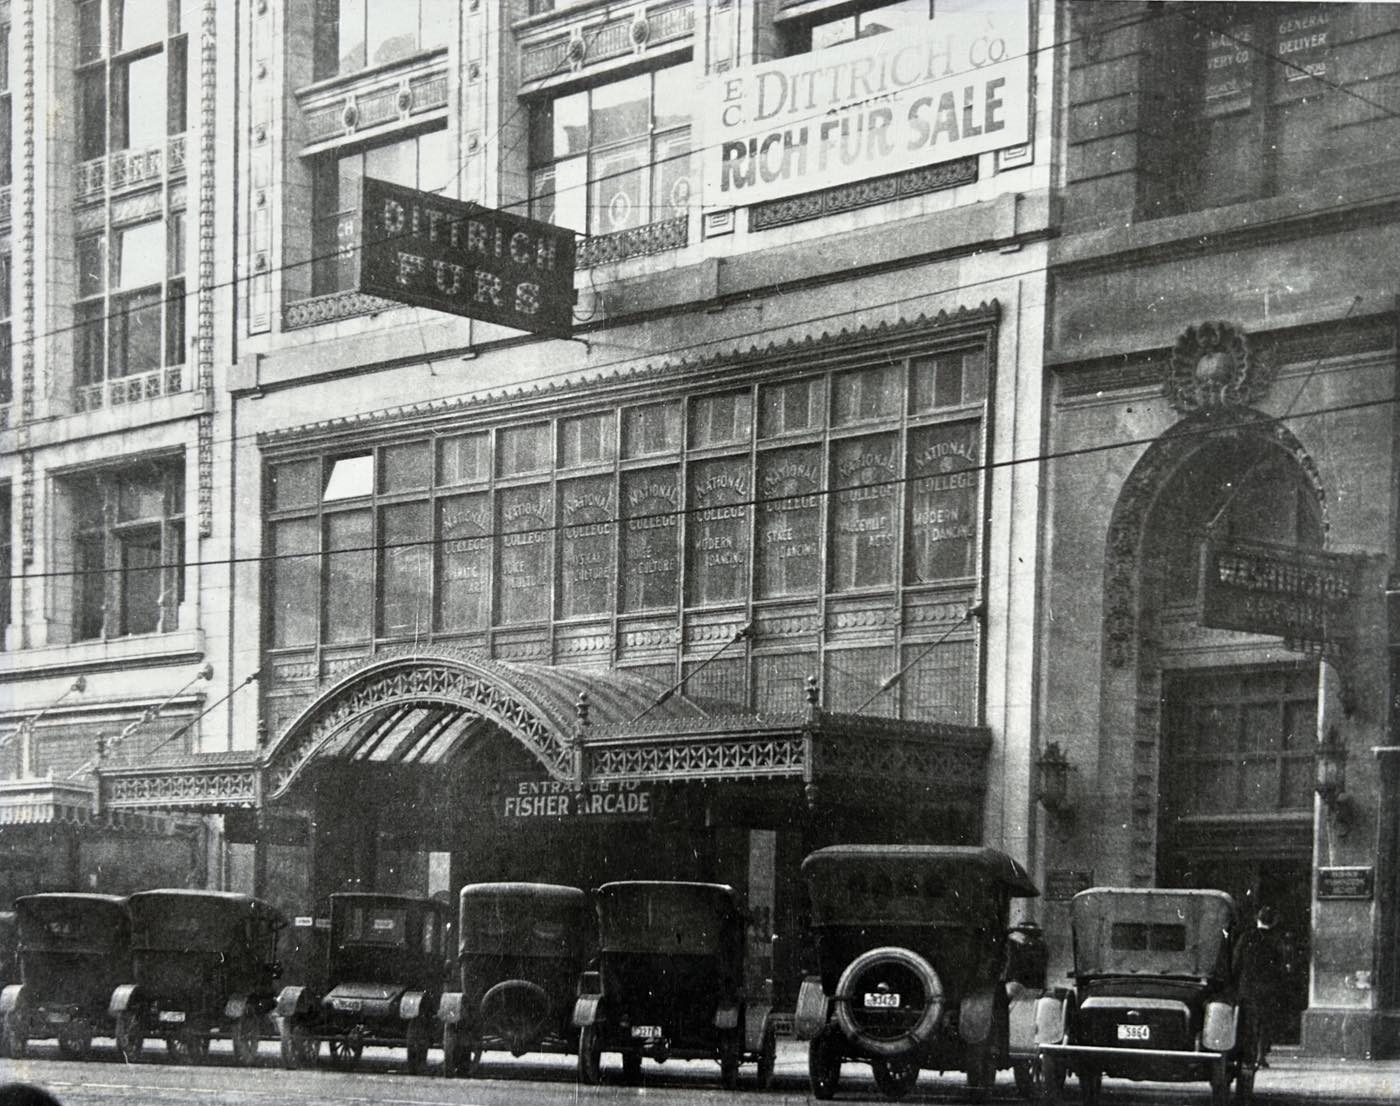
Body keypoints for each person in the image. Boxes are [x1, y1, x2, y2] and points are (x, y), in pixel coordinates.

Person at [1233, 905, 1290, 1068]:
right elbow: (1281, 967)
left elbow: (1236, 962)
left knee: (1249, 1021)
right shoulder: (1276, 940)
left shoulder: (1246, 937)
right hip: (1268, 987)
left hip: (1248, 987)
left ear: (1257, 919)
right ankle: (1261, 1055)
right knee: (1265, 1022)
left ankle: (1247, 1056)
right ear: (1273, 922)